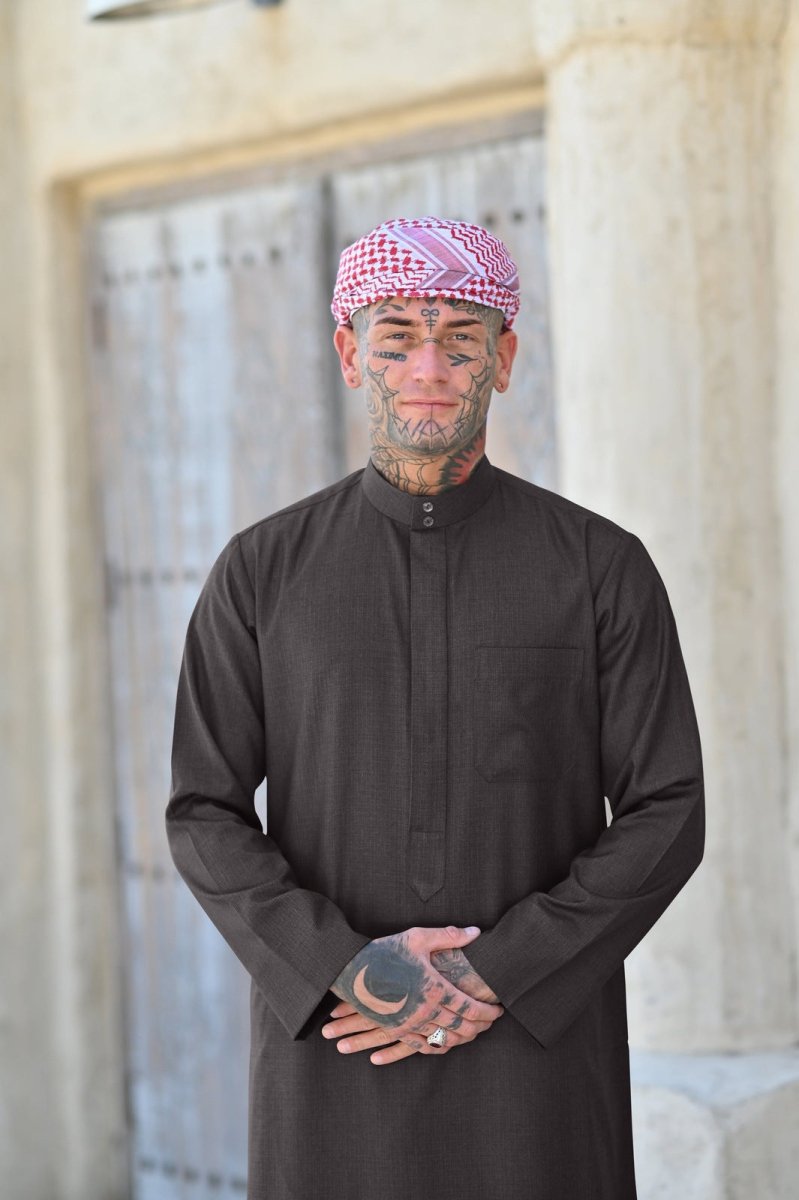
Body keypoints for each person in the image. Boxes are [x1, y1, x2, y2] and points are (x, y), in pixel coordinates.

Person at [166, 215, 705, 1200]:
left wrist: (500, 969)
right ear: (348, 354)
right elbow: (202, 811)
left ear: (504, 359)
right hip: (333, 1047)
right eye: (397, 338)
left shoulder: (598, 568)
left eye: (461, 339)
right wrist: (346, 967)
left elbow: (667, 808)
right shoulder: (261, 573)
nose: (428, 367)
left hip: (536, 1059)